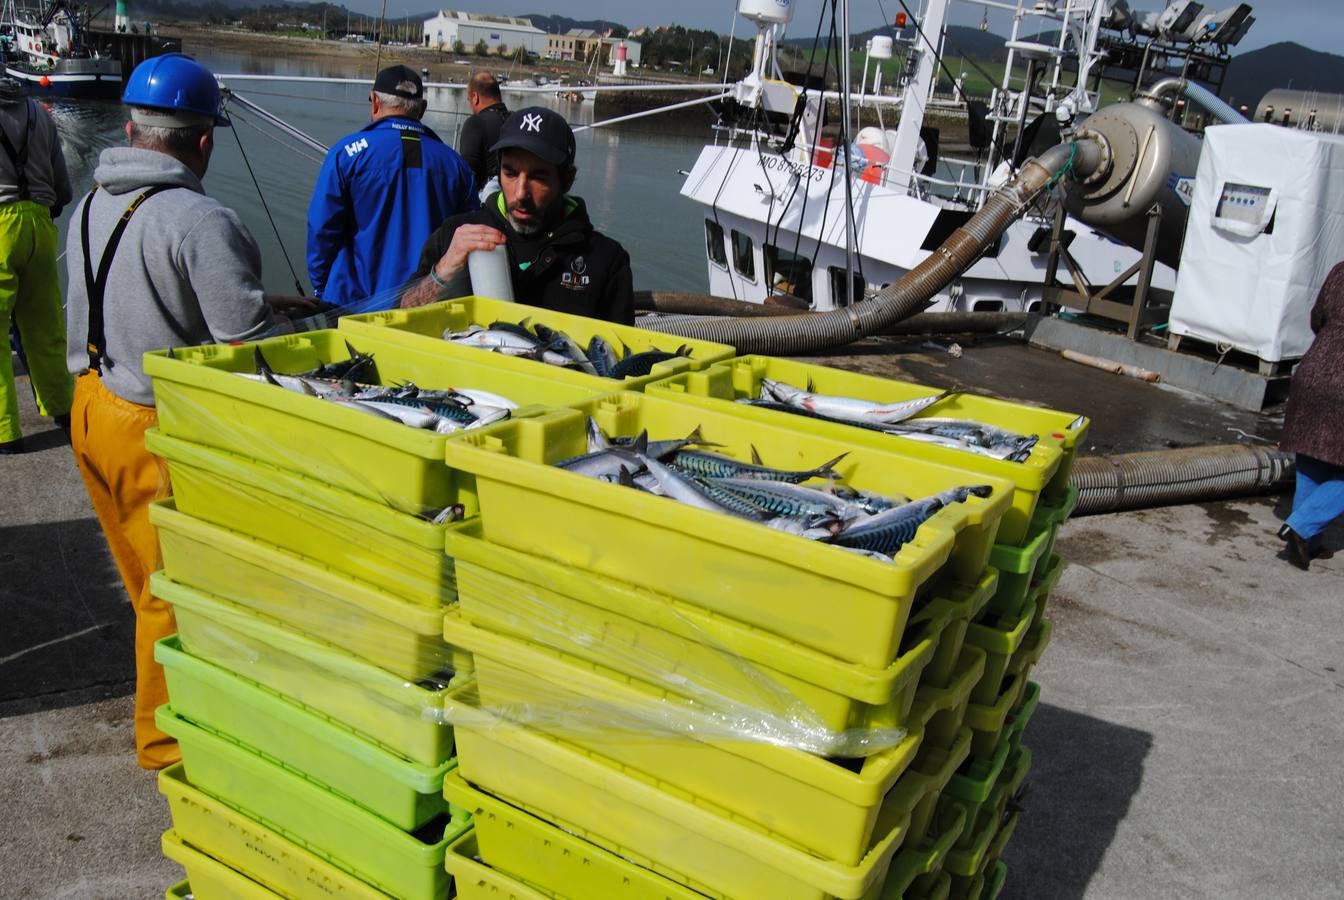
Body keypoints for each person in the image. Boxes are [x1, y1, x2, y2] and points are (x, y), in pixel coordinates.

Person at [65, 54, 306, 769]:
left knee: (143, 585)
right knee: (174, 594)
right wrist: (307, 332)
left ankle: (170, 713)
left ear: (132, 128)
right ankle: (167, 745)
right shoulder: (201, 218)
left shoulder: (90, 204)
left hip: (89, 407)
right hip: (149, 426)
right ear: (204, 141)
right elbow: (245, 341)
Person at [401, 106, 634, 324]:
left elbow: (619, 360)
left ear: (568, 179)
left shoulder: (605, 260)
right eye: (510, 173)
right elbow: (402, 315)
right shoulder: (455, 235)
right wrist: (443, 272)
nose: (521, 193)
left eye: (538, 177)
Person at [306, 64, 477, 309]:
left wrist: (321, 288)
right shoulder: (456, 165)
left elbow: (321, 230)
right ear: (423, 109)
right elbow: (469, 234)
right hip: (423, 306)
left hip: (351, 307)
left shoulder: (346, 154)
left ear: (375, 102)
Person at [0, 76, 72, 453]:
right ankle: (64, 410)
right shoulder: (38, 114)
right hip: (40, 225)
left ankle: (5, 434)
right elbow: (64, 187)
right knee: (45, 329)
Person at [1277, 262, 1344, 571]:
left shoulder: (1340, 270)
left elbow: (1317, 317)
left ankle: (1307, 543)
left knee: (1313, 457)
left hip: (1315, 369)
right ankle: (1302, 525)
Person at [458, 71, 508, 195]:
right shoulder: (516, 120)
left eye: (469, 99)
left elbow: (468, 174)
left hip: (488, 202)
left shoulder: (475, 123)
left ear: (475, 97)